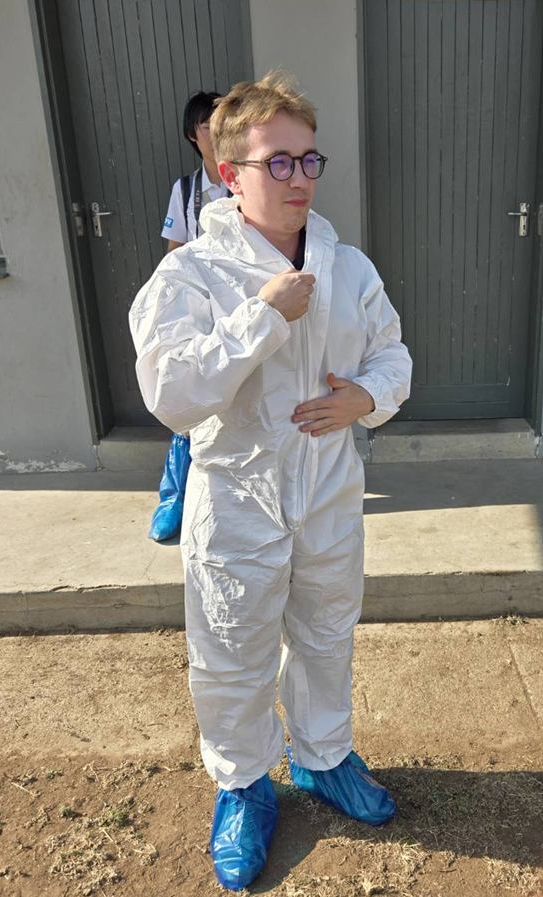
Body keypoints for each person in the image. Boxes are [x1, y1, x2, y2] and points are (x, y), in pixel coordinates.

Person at [130, 71, 413, 891]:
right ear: (230, 175)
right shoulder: (191, 277)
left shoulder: (347, 264)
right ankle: (245, 784)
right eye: (277, 163)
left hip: (327, 489)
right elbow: (173, 395)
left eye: (308, 160)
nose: (298, 178)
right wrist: (262, 316)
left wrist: (368, 397)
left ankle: (323, 755)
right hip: (238, 498)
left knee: (327, 629)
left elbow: (391, 351)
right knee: (231, 649)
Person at [151, 91, 229, 542]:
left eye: (223, 121)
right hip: (201, 308)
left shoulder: (252, 180)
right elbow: (173, 255)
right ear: (192, 135)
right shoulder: (187, 191)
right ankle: (179, 498)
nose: (216, 131)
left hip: (246, 308)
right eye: (207, 125)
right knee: (193, 400)